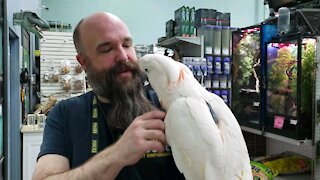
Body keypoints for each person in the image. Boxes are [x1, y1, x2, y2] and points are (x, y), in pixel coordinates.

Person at [33, 12, 184, 180]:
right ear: (83, 62)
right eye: (107, 49)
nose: (123, 56)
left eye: (127, 45)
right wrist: (116, 155)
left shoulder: (170, 104)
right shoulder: (65, 114)